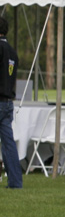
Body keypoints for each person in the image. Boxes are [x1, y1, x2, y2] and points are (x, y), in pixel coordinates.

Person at [0, 15, 22, 189]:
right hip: (8, 102)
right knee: (9, 144)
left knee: (8, 143)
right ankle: (15, 182)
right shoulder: (12, 51)